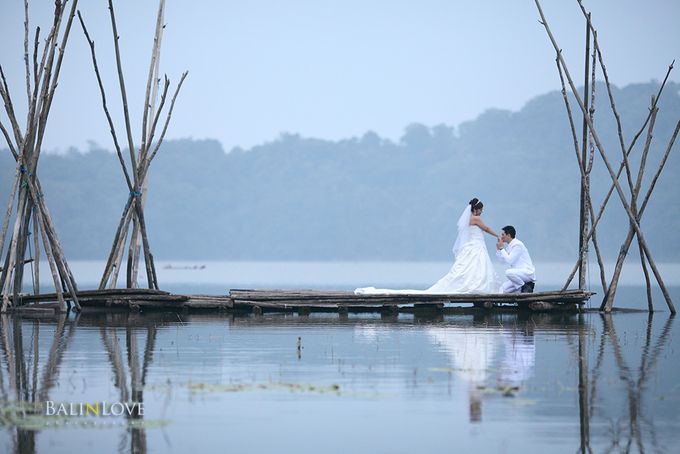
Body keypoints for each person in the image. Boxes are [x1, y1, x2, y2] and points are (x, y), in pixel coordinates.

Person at [355, 198, 501, 294]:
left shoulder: (467, 220)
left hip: (471, 246)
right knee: (475, 266)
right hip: (475, 246)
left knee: (469, 267)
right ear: (476, 209)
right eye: (481, 209)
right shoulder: (476, 219)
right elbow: (486, 229)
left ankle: (473, 285)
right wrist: (497, 236)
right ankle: (476, 286)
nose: (482, 211)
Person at [495, 225, 536, 293]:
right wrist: (499, 250)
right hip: (518, 275)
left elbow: (509, 261)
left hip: (527, 273)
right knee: (502, 289)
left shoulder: (517, 245)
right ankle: (522, 288)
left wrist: (502, 248)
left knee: (508, 272)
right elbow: (502, 262)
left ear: (508, 235)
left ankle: (524, 287)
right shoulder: (510, 246)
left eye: (503, 234)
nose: (501, 236)